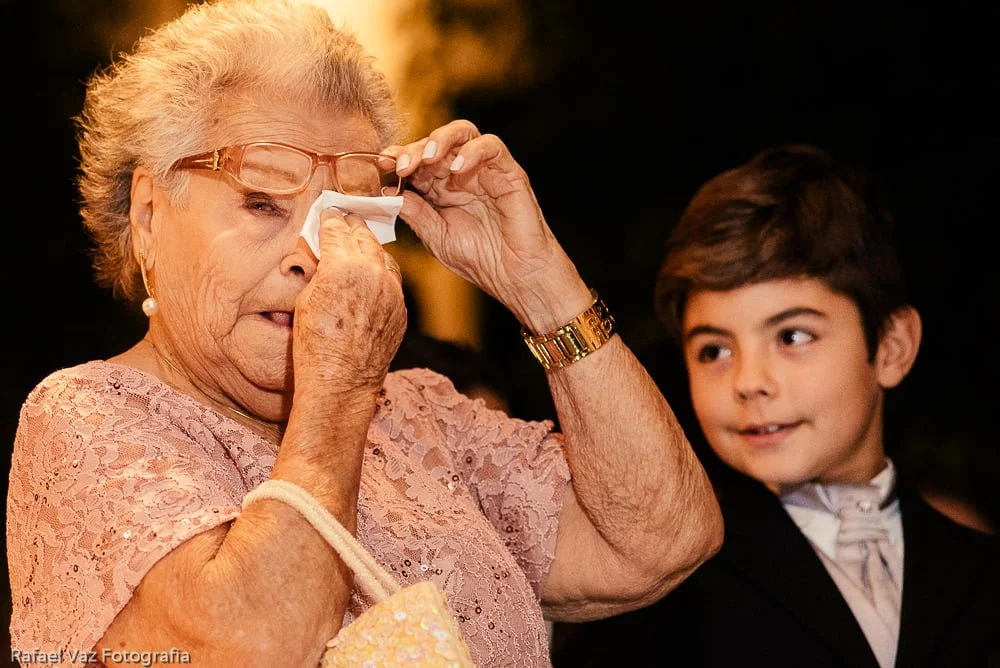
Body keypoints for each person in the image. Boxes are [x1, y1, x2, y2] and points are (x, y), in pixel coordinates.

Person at [5, 1, 723, 666]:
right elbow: (249, 647)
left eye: (344, 215)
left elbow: (664, 538)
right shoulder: (89, 417)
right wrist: (340, 385)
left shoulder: (423, 416)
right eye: (262, 202)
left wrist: (538, 283)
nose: (310, 252)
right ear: (150, 215)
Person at [551, 145, 1000, 668]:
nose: (750, 382)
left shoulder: (981, 575)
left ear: (892, 347)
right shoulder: (661, 589)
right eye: (714, 350)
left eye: (792, 336)